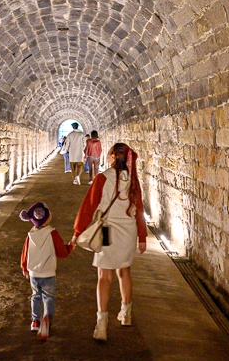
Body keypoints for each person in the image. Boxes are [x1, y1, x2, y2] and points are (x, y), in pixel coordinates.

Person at [71, 143, 146, 341]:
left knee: (104, 276)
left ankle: (102, 323)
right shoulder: (133, 180)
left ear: (113, 156)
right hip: (128, 231)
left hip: (106, 230)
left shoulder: (103, 178)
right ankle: (126, 313)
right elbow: (140, 210)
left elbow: (88, 206)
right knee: (125, 271)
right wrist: (142, 237)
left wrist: (77, 231)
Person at [20, 201, 73, 340]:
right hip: (48, 273)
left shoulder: (30, 234)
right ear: (46, 217)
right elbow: (62, 252)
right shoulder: (52, 233)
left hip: (33, 273)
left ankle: (35, 321)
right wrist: (70, 247)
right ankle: (47, 320)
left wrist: (24, 267)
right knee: (48, 297)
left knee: (35, 296)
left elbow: (25, 252)